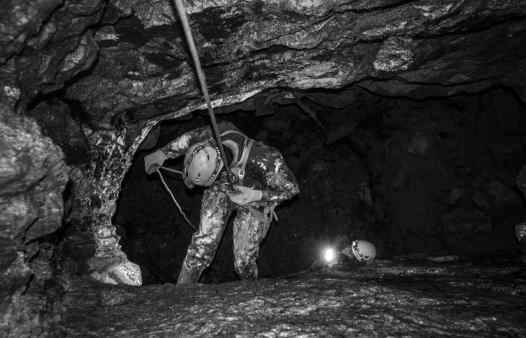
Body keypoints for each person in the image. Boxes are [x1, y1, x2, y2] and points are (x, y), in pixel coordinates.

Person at [144, 121, 299, 284]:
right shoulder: (218, 132)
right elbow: (189, 139)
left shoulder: (266, 159)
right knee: (202, 245)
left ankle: (251, 289)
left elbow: (291, 189)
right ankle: (183, 290)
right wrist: (162, 153)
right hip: (223, 187)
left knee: (243, 262)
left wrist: (256, 195)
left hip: (256, 197)